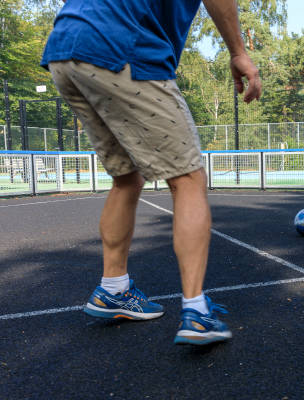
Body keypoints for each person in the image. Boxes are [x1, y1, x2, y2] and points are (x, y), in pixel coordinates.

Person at [40, 0, 261, 346]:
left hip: (66, 45)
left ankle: (113, 289)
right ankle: (197, 312)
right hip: (122, 41)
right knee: (187, 178)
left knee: (126, 177)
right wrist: (238, 52)